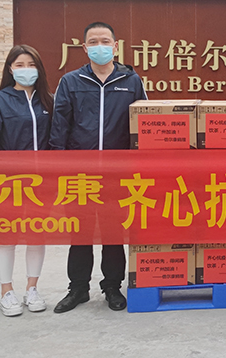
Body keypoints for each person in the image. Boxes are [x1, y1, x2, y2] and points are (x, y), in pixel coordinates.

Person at [50, 21, 147, 313]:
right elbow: (59, 127)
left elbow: (143, 125)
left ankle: (112, 287)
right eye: (93, 42)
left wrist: (138, 167)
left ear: (116, 46)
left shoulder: (131, 81)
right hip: (79, 174)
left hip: (117, 174)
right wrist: (58, 168)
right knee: (79, 233)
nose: (99, 46)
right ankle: (78, 288)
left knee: (112, 234)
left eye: (105, 41)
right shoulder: (71, 81)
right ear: (84, 48)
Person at [0, 45, 53, 317]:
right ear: (10, 69)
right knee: (7, 236)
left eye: (31, 65)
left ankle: (32, 288)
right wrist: (2, 174)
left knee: (37, 234)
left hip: (41, 184)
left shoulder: (49, 100)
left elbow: (57, 139)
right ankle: (6, 291)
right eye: (19, 65)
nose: (26, 70)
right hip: (8, 182)